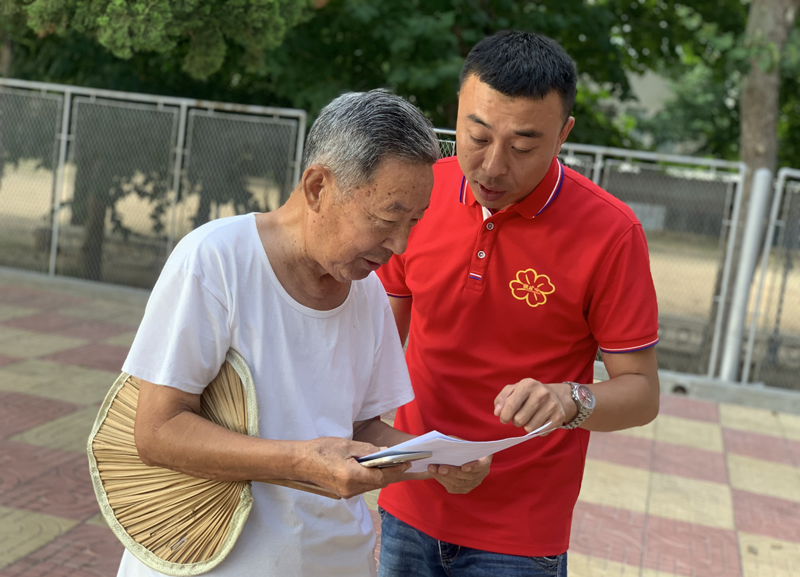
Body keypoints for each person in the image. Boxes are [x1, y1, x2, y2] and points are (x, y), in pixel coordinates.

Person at [116, 90, 490, 577]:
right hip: (207, 559)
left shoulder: (368, 293)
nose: (400, 245)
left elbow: (360, 429)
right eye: (387, 218)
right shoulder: (216, 260)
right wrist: (300, 461)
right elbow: (156, 432)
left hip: (336, 559)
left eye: (414, 222)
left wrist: (434, 459)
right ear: (317, 187)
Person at [375, 31, 660, 577]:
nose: (492, 167)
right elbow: (375, 343)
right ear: (457, 110)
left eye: (523, 147)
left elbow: (642, 393)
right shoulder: (420, 195)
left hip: (520, 535)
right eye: (476, 136)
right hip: (408, 503)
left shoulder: (610, 233)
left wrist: (569, 398)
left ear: (564, 134)